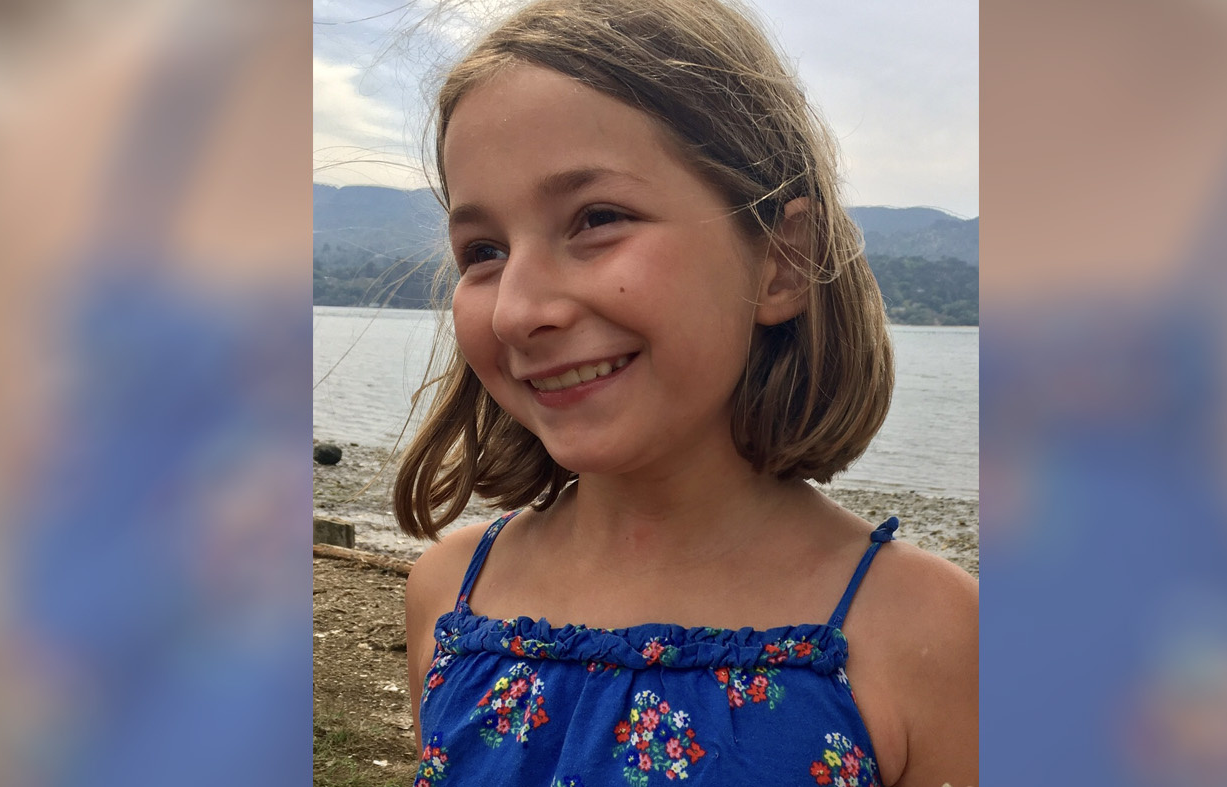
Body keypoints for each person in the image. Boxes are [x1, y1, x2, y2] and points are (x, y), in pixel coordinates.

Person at [396, 1, 977, 784]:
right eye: (484, 250)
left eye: (597, 218)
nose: (517, 311)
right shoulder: (449, 596)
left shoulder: (927, 635)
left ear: (781, 262)